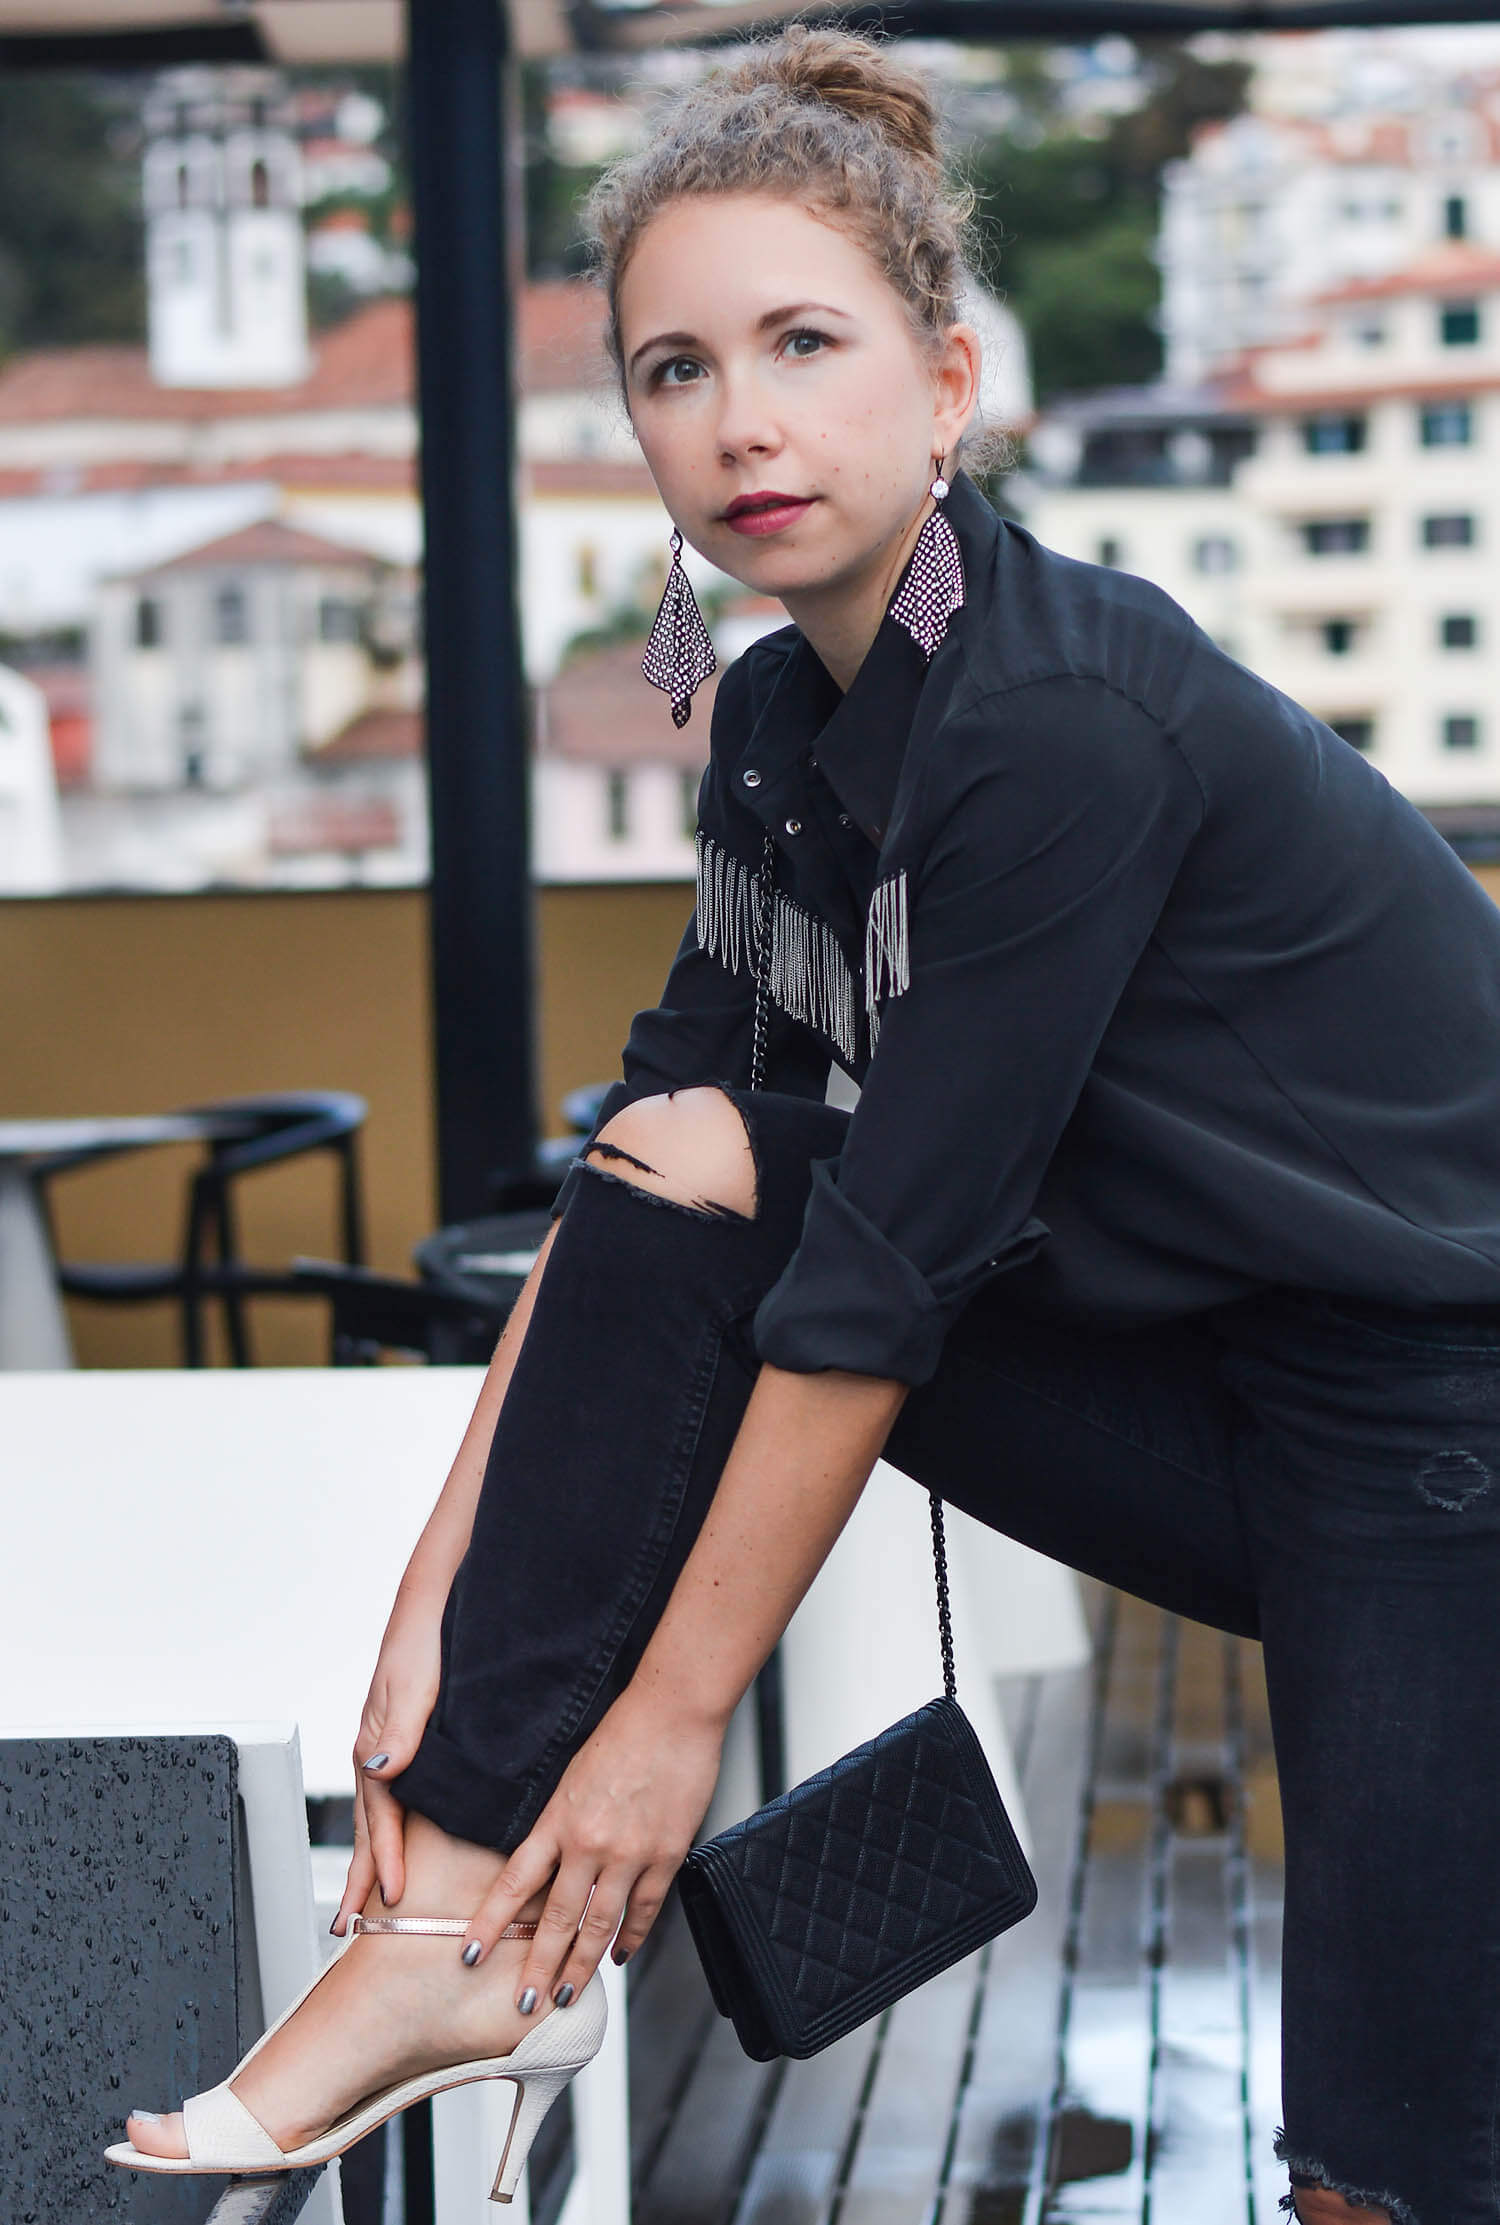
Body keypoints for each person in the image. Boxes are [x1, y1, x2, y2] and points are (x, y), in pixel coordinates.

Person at [107, 26, 1500, 2223]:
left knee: (1391, 2179)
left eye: (804, 343)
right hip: (1203, 1370)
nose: (740, 418)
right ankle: (451, 1929)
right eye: (674, 368)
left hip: (1444, 1416)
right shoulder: (777, 709)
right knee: (691, 1157)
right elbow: (666, 1138)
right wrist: (435, 1616)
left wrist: (667, 1731)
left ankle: (482, 1912)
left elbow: (888, 1281)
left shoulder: (1058, 718)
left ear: (946, 384)